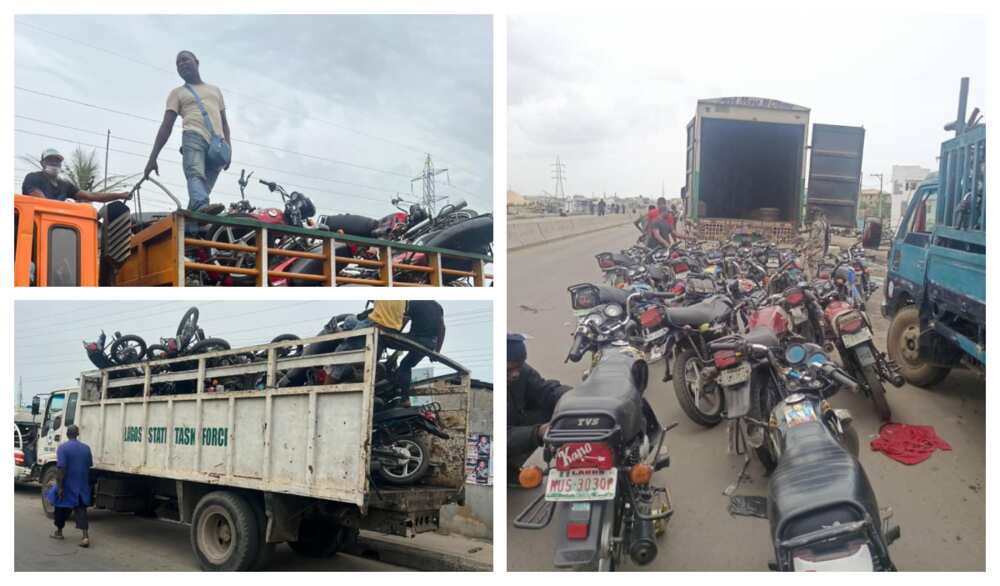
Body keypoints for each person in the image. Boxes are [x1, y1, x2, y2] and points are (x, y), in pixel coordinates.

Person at [144, 50, 230, 216]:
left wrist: (228, 146)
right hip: (193, 136)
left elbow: (225, 122)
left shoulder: (215, 90)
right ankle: (199, 206)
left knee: (202, 188)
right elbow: (166, 126)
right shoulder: (177, 93)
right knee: (195, 174)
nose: (181, 64)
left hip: (218, 144)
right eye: (178, 63)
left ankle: (192, 223)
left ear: (196, 62)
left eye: (185, 60)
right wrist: (152, 158)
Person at [507, 333, 568, 482]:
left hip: (514, 420)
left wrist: (570, 397)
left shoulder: (523, 372)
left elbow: (545, 391)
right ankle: (507, 472)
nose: (515, 374)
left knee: (555, 411)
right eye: (509, 369)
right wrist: (538, 432)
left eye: (519, 367)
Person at [328, 300, 407, 383]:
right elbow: (404, 316)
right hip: (394, 327)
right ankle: (347, 338)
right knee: (350, 320)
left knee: (340, 352)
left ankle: (325, 388)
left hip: (376, 322)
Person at [21, 149, 132, 203]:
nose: (54, 163)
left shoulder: (65, 184)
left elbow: (91, 196)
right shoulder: (33, 178)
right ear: (42, 163)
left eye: (57, 161)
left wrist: (120, 195)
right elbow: (41, 201)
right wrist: (69, 206)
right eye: (50, 160)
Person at [47, 425, 93, 548]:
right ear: (77, 434)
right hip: (81, 484)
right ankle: (85, 537)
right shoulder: (86, 448)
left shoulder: (63, 448)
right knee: (81, 509)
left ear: (67, 434)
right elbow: (89, 464)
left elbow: (61, 469)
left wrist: (60, 487)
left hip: (67, 484)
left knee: (60, 508)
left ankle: (59, 532)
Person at [394, 300, 446, 397]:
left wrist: (395, 334)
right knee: (405, 365)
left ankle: (405, 397)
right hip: (430, 344)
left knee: (384, 339)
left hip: (415, 339)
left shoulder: (412, 303)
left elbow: (403, 320)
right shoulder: (437, 306)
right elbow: (442, 328)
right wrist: (437, 352)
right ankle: (405, 399)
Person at [801, 207, 829, 279]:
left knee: (812, 267)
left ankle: (813, 283)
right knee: (817, 267)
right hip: (821, 248)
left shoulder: (816, 224)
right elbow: (827, 238)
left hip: (815, 250)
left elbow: (812, 238)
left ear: (817, 214)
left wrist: (805, 247)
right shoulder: (823, 223)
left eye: (813, 214)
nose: (812, 215)